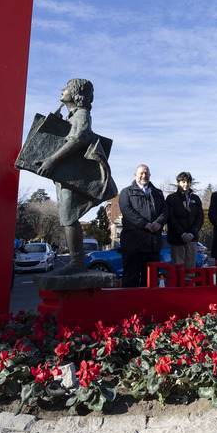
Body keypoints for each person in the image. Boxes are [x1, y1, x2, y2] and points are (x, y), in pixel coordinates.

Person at [32, 78, 115, 273]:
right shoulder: (72, 116)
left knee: (69, 218)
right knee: (66, 217)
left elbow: (80, 137)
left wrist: (52, 159)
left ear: (76, 94)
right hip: (67, 176)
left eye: (67, 88)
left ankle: (76, 263)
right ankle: (75, 261)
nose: (62, 90)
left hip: (76, 177)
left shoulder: (82, 114)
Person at [116, 164, 166, 287]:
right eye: (141, 173)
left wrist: (159, 222)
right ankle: (129, 305)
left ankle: (150, 305)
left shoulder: (158, 193)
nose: (144, 176)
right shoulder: (126, 192)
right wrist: (144, 224)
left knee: (151, 280)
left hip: (153, 244)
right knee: (131, 277)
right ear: (135, 175)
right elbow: (127, 211)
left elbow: (165, 211)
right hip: (133, 244)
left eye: (147, 173)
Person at [165, 171, 203, 268]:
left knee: (190, 271)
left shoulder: (196, 198)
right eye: (183, 182)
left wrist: (191, 234)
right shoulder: (171, 198)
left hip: (192, 240)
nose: (186, 184)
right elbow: (170, 218)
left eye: (188, 182)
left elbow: (200, 218)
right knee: (179, 271)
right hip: (177, 240)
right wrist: (182, 234)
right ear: (178, 183)